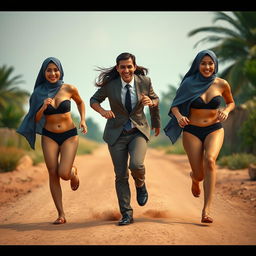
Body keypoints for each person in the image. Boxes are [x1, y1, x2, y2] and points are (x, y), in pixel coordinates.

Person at [164, 50, 235, 223]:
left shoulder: (222, 84)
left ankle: (206, 210)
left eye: (210, 63)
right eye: (203, 63)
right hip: (192, 131)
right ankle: (195, 178)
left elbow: (231, 102)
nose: (207, 67)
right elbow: (175, 106)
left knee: (210, 160)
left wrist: (225, 110)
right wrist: (180, 117)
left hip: (214, 129)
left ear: (215, 65)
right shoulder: (188, 83)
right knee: (200, 174)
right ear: (197, 65)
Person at [90, 52, 161, 225]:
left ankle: (140, 184)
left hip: (138, 131)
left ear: (134, 67)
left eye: (129, 66)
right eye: (123, 67)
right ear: (117, 68)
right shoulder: (110, 85)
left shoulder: (144, 81)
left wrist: (151, 107)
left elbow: (155, 99)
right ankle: (127, 214)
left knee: (136, 165)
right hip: (116, 134)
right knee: (121, 176)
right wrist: (103, 111)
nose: (126, 70)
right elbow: (94, 100)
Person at [17, 57, 87, 224]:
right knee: (53, 173)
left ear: (60, 71)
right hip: (49, 136)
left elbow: (80, 102)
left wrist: (83, 120)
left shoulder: (69, 88)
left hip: (69, 135)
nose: (53, 73)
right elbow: (35, 119)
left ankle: (72, 172)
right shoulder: (38, 93)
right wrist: (42, 107)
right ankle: (61, 214)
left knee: (64, 173)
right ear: (44, 73)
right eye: (49, 70)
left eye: (55, 70)